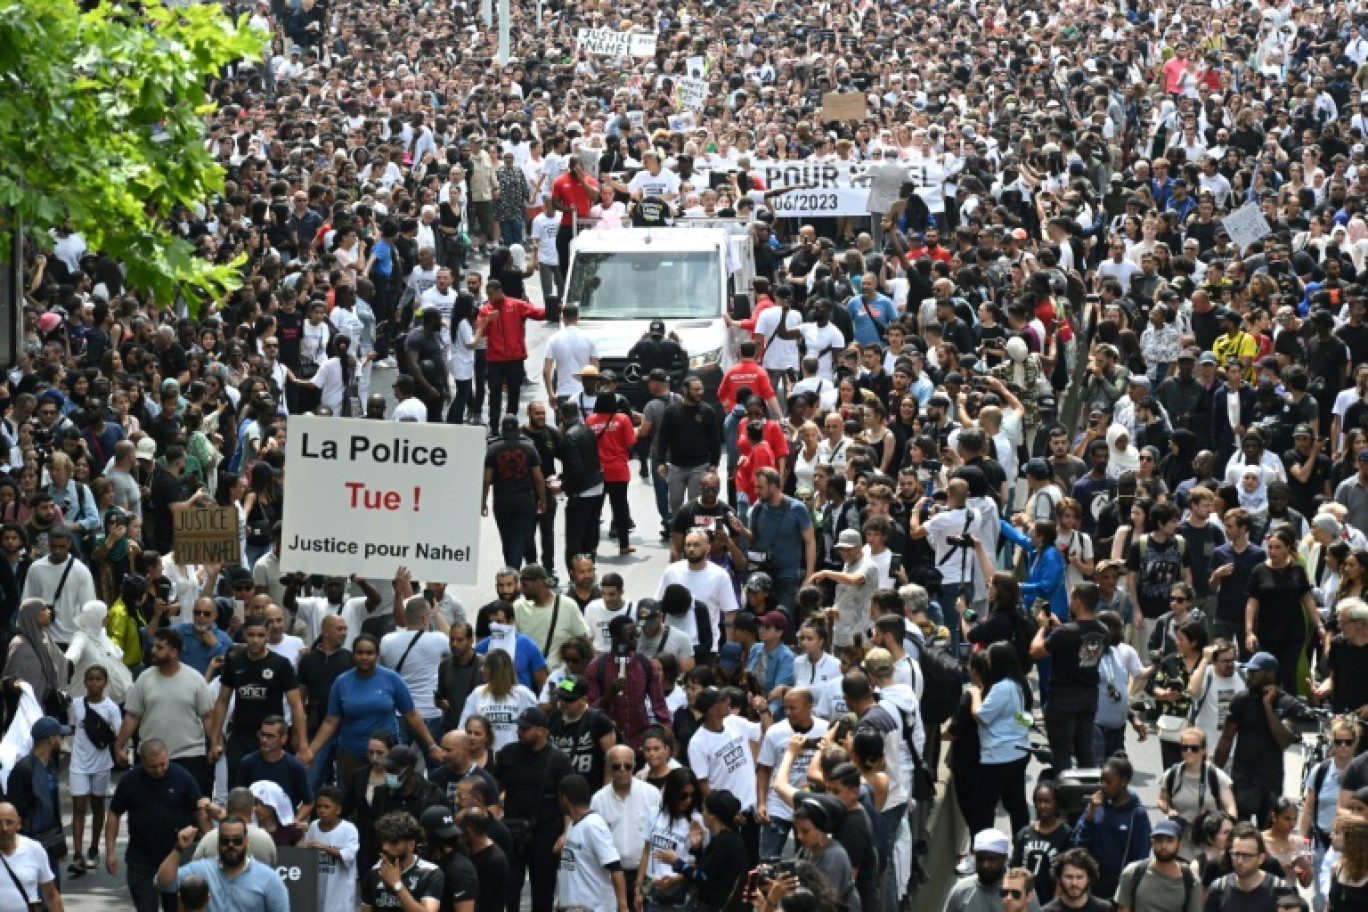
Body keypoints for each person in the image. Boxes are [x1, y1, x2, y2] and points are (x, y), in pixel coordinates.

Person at [306, 633, 442, 784]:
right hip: (351, 754)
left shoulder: (392, 679)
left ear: (377, 655)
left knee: (386, 799)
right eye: (360, 653)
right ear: (353, 654)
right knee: (351, 801)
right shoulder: (342, 682)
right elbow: (330, 722)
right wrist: (311, 752)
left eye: (369, 653)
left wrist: (432, 745)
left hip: (387, 756)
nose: (364, 657)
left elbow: (411, 715)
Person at [207, 613, 309, 786]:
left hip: (271, 738)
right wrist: (215, 740)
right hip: (240, 736)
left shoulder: (281, 664)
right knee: (238, 791)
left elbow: (296, 705)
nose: (255, 640)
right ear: (244, 634)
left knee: (270, 791)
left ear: (268, 635)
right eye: (251, 635)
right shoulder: (234, 661)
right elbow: (222, 702)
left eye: (260, 635)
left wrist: (303, 745)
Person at [112, 628, 214, 797]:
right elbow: (132, 716)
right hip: (150, 757)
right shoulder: (144, 679)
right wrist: (119, 745)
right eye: (154, 646)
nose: (153, 650)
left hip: (189, 756)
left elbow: (208, 717)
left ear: (174, 652)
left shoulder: (196, 679)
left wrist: (215, 744)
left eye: (160, 647)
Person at [106, 739, 206, 912]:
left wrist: (210, 841)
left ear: (168, 757)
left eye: (163, 764)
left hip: (177, 858)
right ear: (142, 761)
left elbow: (200, 811)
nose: (159, 770)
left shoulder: (183, 777)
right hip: (141, 860)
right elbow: (114, 813)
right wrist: (110, 852)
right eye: (153, 767)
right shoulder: (130, 780)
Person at [1215, 652, 1312, 828]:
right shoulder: (1240, 701)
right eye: (1249, 672)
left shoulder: (1287, 703)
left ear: (1270, 674)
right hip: (1243, 779)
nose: (1249, 676)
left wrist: (1268, 707)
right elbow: (1226, 739)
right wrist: (1214, 772)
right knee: (1240, 832)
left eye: (1254, 672)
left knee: (1268, 833)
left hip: (1271, 782)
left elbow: (1283, 740)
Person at [495, 706, 573, 912]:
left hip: (546, 833)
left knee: (543, 891)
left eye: (526, 729)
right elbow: (496, 789)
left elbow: (566, 801)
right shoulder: (507, 754)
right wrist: (494, 820)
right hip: (512, 831)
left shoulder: (559, 760)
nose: (520, 732)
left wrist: (566, 832)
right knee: (509, 889)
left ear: (541, 730)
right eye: (519, 728)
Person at [1030, 580, 1108, 772]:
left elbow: (1036, 651)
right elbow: (1078, 644)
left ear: (1078, 602)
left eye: (1071, 598)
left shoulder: (1066, 632)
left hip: (1063, 699)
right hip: (1088, 696)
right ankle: (1086, 792)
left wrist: (1042, 627)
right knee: (1085, 751)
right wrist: (1058, 628)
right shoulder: (1103, 630)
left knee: (1062, 752)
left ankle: (1066, 795)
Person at [969, 641, 1033, 839]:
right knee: (1017, 805)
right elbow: (1023, 717)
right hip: (1019, 751)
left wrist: (975, 693)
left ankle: (982, 848)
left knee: (982, 808)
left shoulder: (1001, 688)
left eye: (988, 659)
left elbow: (980, 716)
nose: (986, 662)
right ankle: (1021, 845)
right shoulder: (1020, 684)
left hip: (997, 756)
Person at [1072, 754, 1152, 899]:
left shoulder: (1137, 814)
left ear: (1123, 781)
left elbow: (1141, 857)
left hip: (1119, 889)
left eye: (1108, 782)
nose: (1102, 785)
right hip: (1090, 885)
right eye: (1101, 780)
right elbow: (1078, 844)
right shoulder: (1095, 806)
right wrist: (1090, 816)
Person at [586, 616, 671, 750]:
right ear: (614, 636)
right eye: (630, 636)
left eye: (636, 636)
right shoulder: (597, 666)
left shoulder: (646, 664)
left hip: (640, 740)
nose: (635, 641)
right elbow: (592, 709)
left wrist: (666, 730)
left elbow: (659, 703)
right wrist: (611, 692)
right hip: (609, 741)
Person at [589, 746, 659, 908]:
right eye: (616, 766)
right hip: (610, 877)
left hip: (646, 875)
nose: (622, 770)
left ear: (634, 765)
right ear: (608, 766)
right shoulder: (598, 800)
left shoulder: (652, 794)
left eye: (627, 765)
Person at [380, 595, 452, 747]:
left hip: (400, 712)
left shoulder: (387, 641)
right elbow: (455, 640)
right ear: (426, 619)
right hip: (430, 712)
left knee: (397, 763)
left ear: (406, 618)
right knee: (435, 763)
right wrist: (437, 614)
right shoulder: (437, 640)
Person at [1156, 727, 1238, 860]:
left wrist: (1224, 829)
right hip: (1181, 842)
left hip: (1208, 843)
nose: (1189, 752)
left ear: (1203, 750)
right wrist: (1169, 810)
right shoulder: (1172, 774)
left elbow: (1231, 807)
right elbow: (1162, 799)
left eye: (1194, 748)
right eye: (1184, 748)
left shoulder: (1216, 776)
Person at [661, 789, 749, 912]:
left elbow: (703, 878)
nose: (702, 814)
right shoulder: (728, 837)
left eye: (704, 810)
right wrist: (697, 848)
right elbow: (712, 869)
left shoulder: (724, 842)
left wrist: (677, 862)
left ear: (712, 816)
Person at [482, 415, 548, 569]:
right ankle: (513, 571)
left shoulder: (493, 448)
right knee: (519, 537)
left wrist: (482, 501)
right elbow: (538, 478)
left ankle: (511, 570)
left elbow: (486, 480)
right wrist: (543, 499)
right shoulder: (529, 447)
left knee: (506, 538)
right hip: (525, 500)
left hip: (502, 500)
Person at [360, 811, 445, 912]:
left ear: (411, 845)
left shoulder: (430, 873)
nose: (385, 847)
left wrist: (397, 884)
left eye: (393, 842)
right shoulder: (374, 873)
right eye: (384, 841)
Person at [1114, 818, 1201, 912]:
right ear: (1152, 842)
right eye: (1159, 840)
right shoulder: (1132, 873)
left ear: (1178, 844)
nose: (1164, 846)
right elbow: (1124, 909)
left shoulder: (1192, 881)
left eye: (1170, 840)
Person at [1202, 823, 1289, 912]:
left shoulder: (1279, 889)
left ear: (1261, 858)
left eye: (1246, 856)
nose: (1239, 860)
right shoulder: (1219, 889)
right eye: (1236, 854)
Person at [1011, 782, 1073, 906]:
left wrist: (1055, 903)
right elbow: (1015, 868)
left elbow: (1067, 871)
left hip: (1052, 899)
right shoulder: (1024, 833)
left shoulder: (1066, 834)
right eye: (1038, 801)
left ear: (1056, 804)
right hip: (1026, 899)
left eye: (1047, 801)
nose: (1042, 806)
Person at [304, 786, 360, 912]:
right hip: (318, 888)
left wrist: (325, 848)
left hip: (340, 893)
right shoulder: (313, 826)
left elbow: (348, 855)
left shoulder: (349, 829)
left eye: (326, 807)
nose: (322, 810)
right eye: (319, 807)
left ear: (338, 809)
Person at [0, 801, 64, 912]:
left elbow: (51, 895)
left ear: (18, 823)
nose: (4, 828)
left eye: (9, 822)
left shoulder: (34, 849)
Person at [945, 828, 1013, 912]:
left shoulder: (1019, 892)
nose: (985, 865)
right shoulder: (960, 891)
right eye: (980, 859)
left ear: (1004, 858)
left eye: (991, 859)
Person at [1042, 848, 1110, 912]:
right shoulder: (1047, 911)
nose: (1074, 883)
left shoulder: (1105, 909)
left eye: (1079, 877)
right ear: (1059, 878)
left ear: (1089, 878)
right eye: (1069, 877)